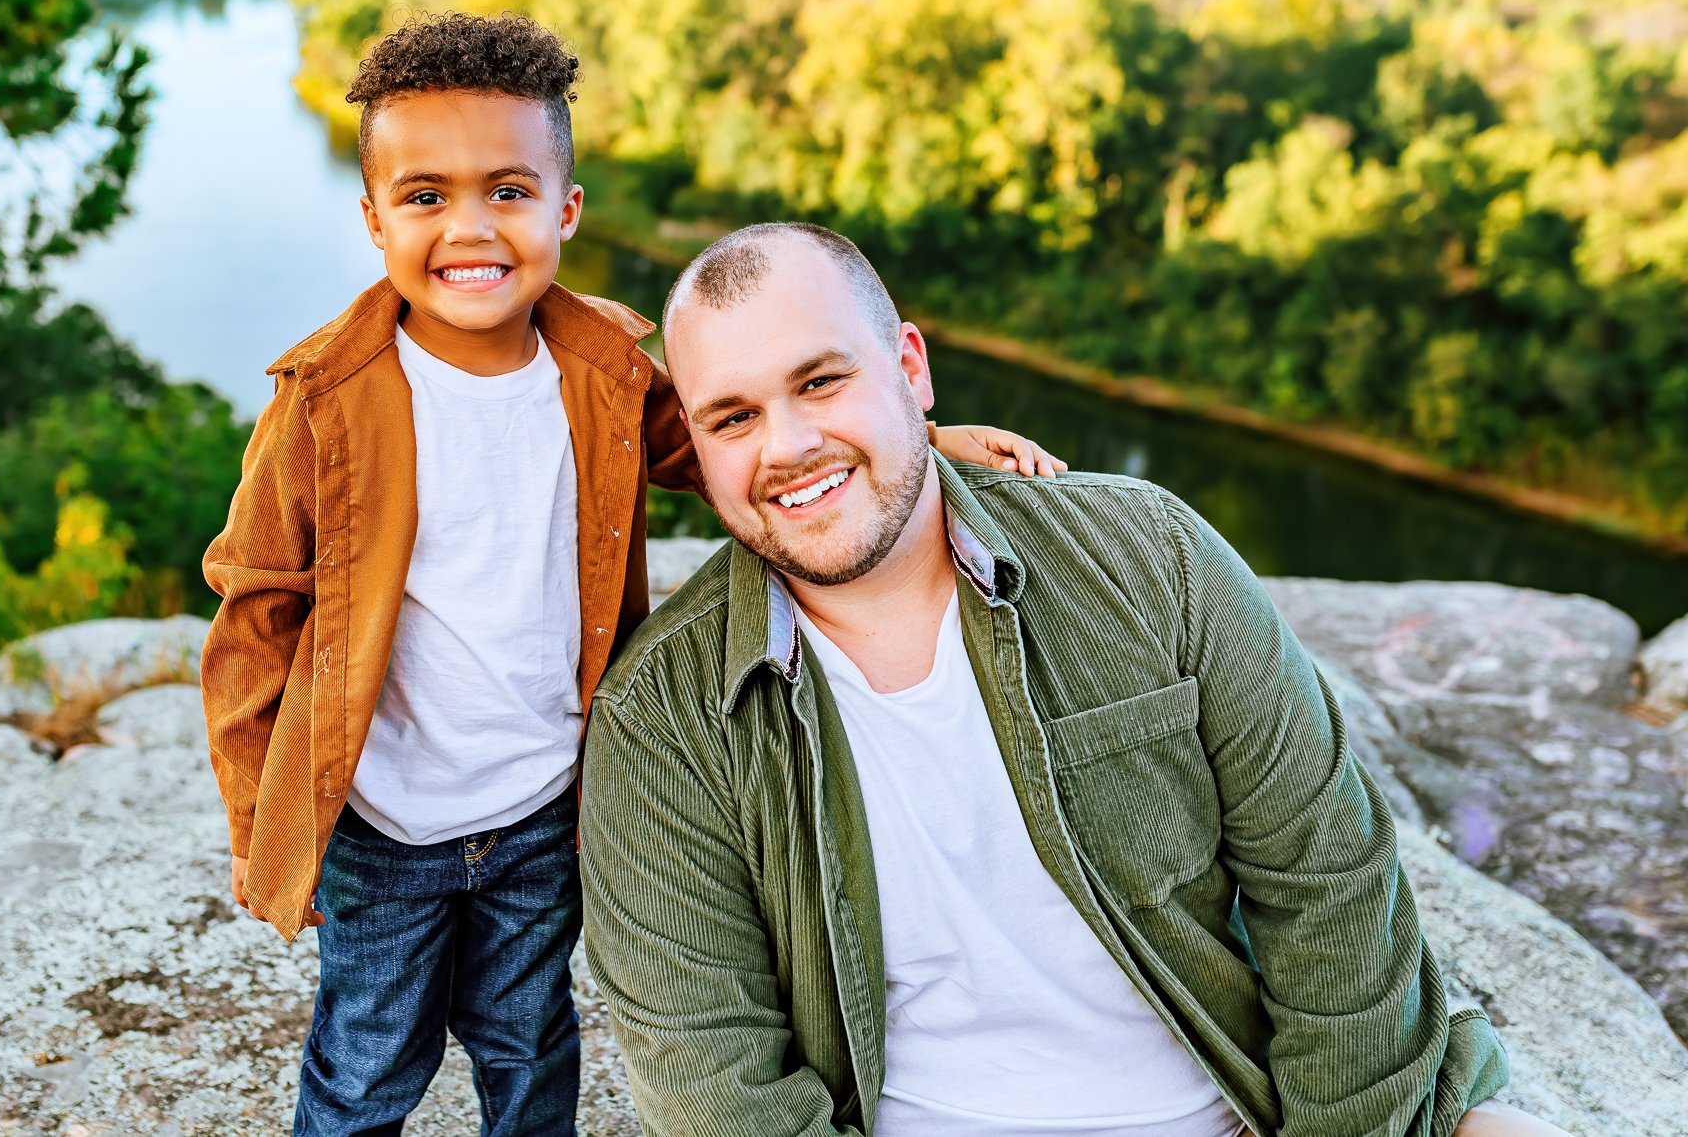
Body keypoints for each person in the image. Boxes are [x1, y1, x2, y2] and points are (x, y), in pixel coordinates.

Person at [197, 16, 1060, 1137]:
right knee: (368, 1058)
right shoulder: (322, 401)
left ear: (564, 208)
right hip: (382, 823)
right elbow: (256, 612)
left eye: (507, 190)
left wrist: (919, 442)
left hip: (544, 808)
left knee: (528, 1040)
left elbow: (725, 447)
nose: (469, 227)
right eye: (424, 197)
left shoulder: (601, 367)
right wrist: (264, 825)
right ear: (372, 219)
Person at [579, 220, 1570, 1137]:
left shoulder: (1149, 556)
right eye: (731, 416)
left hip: (1246, 1101)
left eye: (821, 382)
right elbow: (712, 1079)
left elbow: (1326, 878)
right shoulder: (662, 720)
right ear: (695, 447)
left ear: (911, 370)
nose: (786, 446)